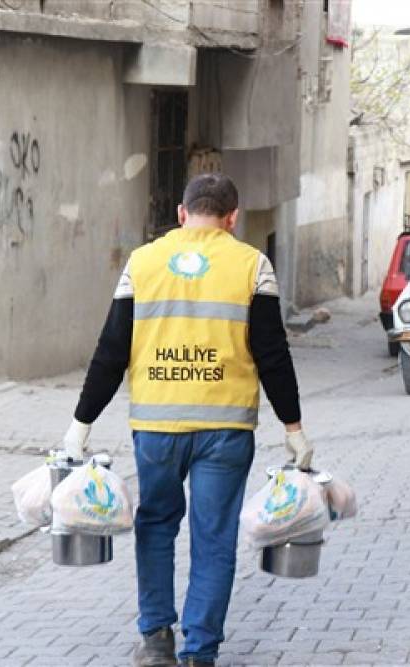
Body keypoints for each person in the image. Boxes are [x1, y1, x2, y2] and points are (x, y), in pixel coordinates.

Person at [61, 173, 313, 667]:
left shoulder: (143, 262)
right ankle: (200, 652)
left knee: (155, 528)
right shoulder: (251, 265)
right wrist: (294, 430)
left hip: (156, 428)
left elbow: (111, 350)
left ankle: (156, 640)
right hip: (226, 430)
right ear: (232, 219)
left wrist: (80, 425)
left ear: (181, 213)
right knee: (213, 538)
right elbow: (273, 355)